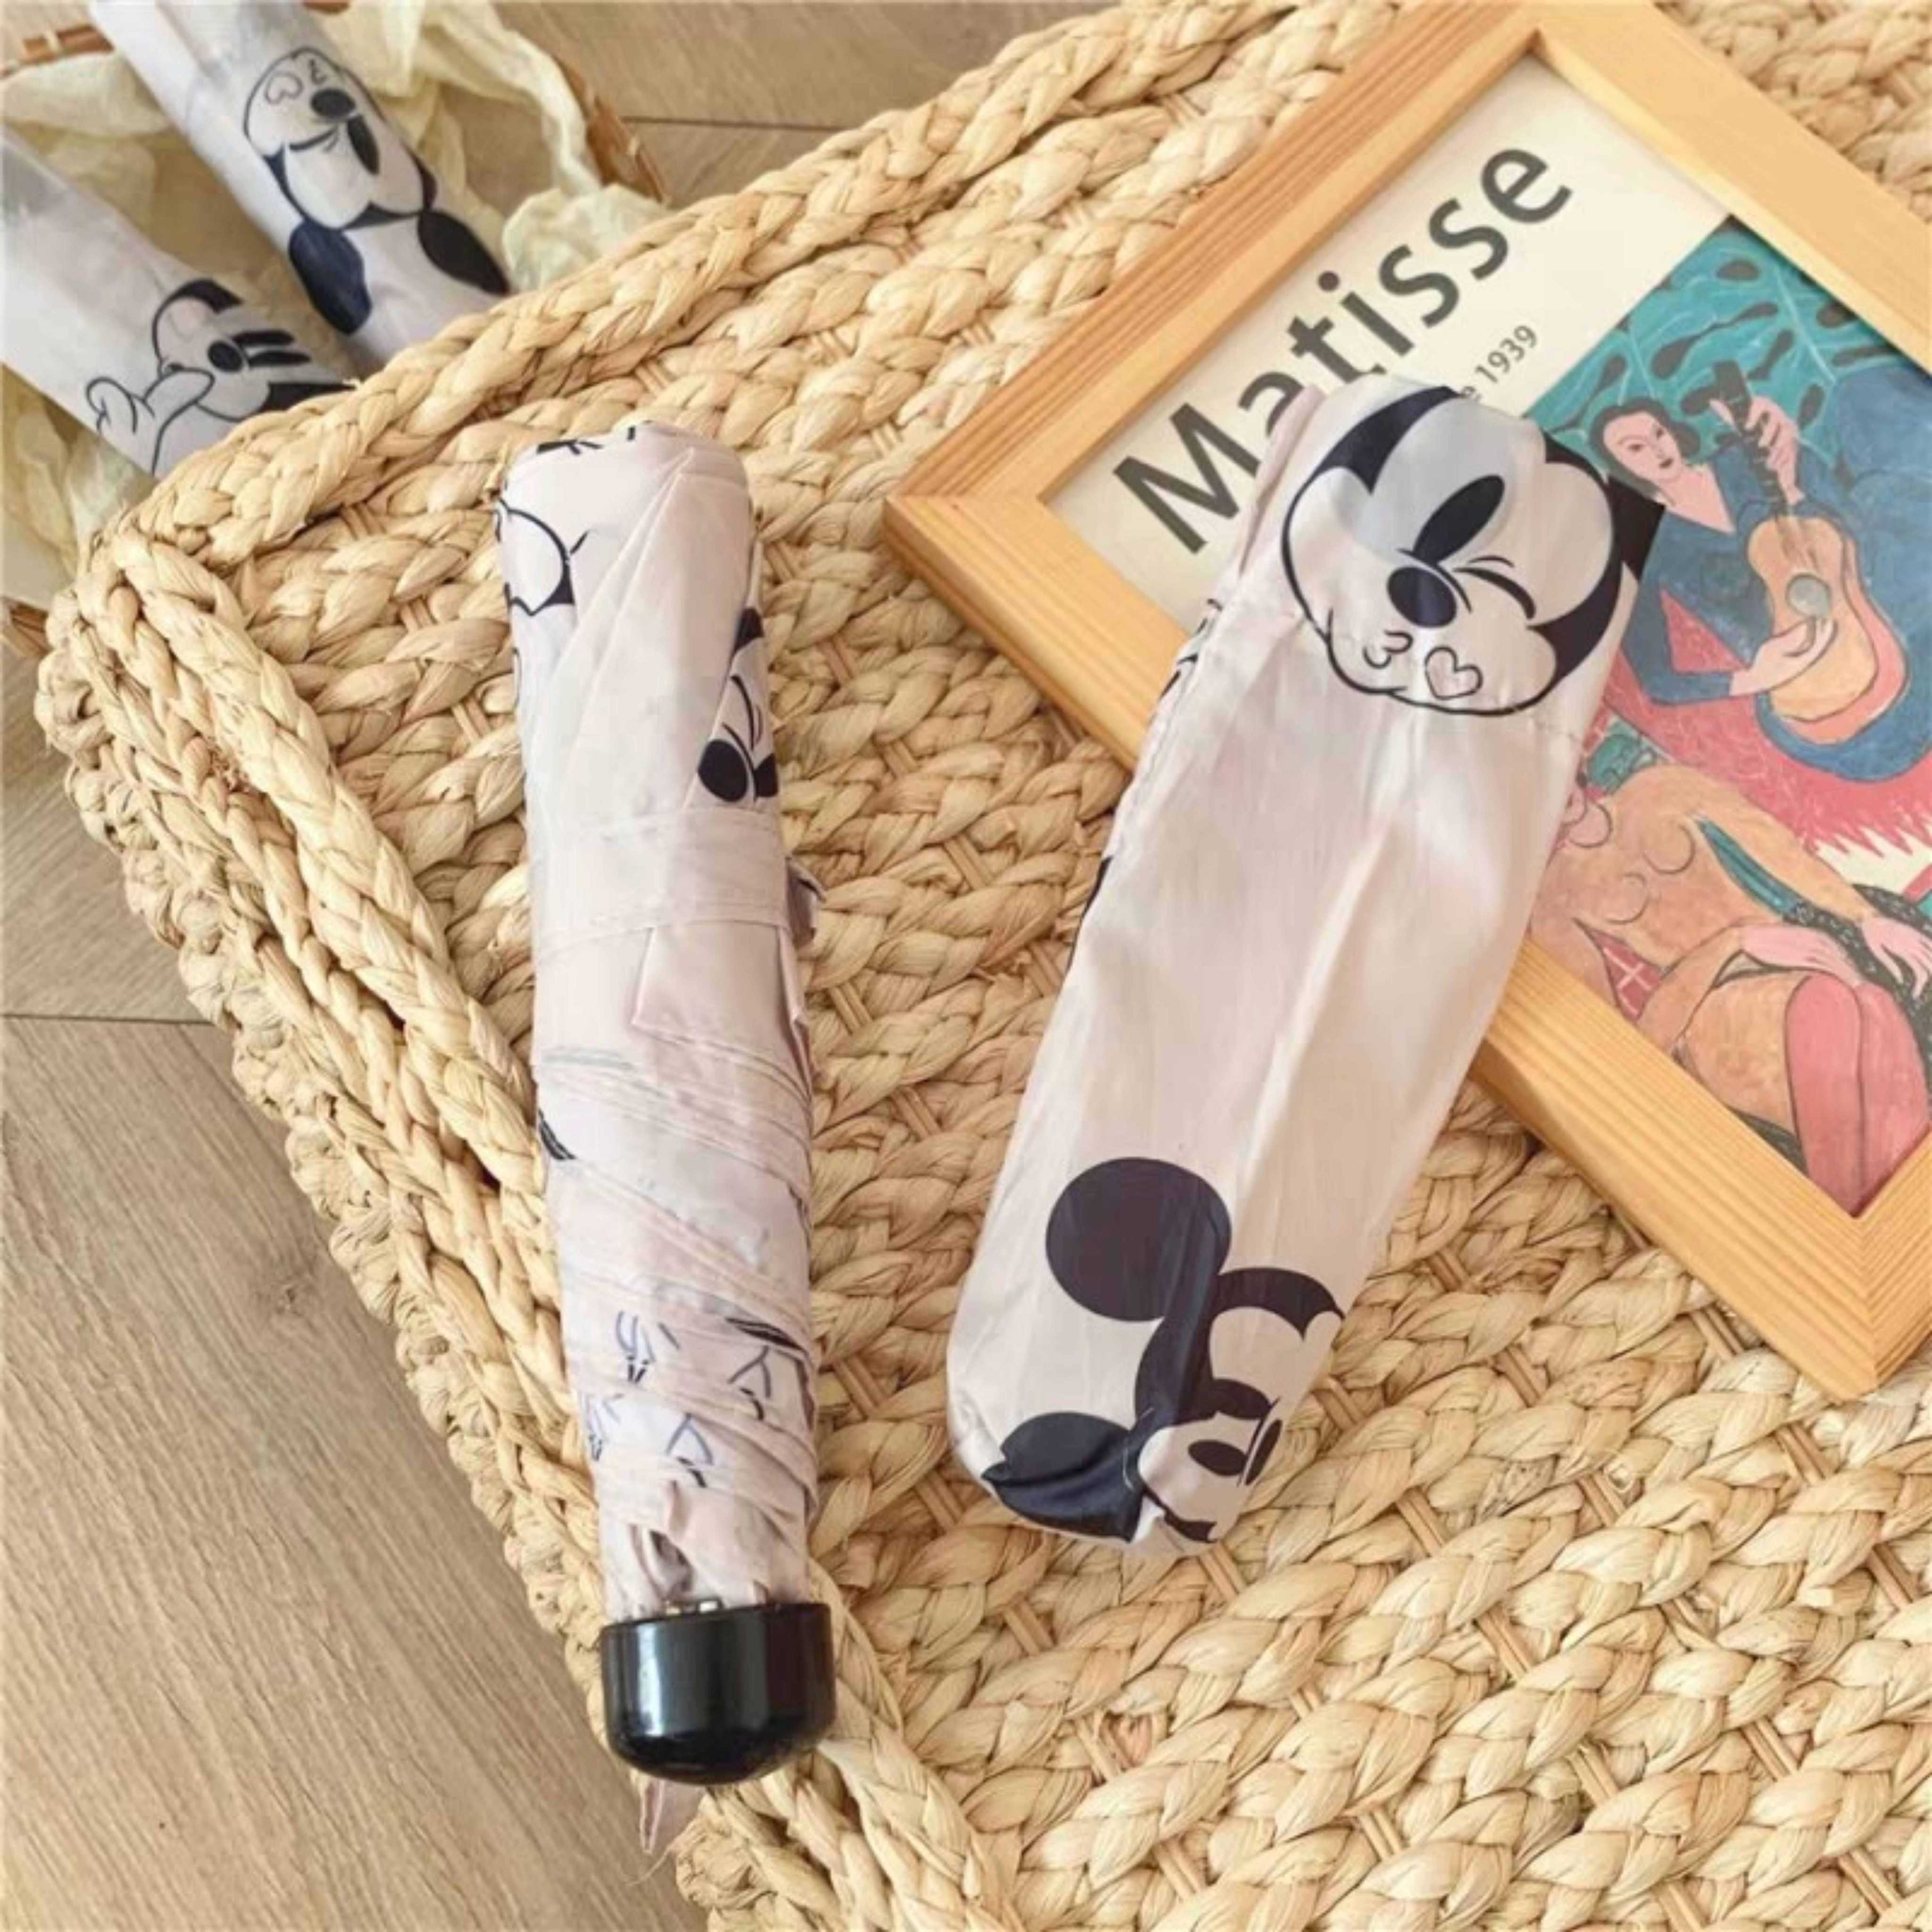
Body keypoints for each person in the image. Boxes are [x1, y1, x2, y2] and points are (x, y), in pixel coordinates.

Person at [1532, 745, 1932, 1213]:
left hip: (1799, 956)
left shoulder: (1660, 787)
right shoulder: (1553, 898)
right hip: (1709, 1004)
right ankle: (1838, 1225)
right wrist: (1736, 942)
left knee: (1875, 1006)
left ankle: (1899, 1222)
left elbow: (1779, 850)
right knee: (1824, 1005)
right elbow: (1627, 1052)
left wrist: (1865, 917)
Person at [1591, 363, 1931, 782]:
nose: (1657, 450)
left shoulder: (1743, 460)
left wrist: (1794, 482)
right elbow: (1656, 680)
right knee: (1872, 748)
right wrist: (1752, 678)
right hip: (1805, 677)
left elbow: (1850, 522)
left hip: (1879, 594)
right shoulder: (1650, 546)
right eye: (1635, 448)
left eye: (1658, 434)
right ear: (1619, 467)